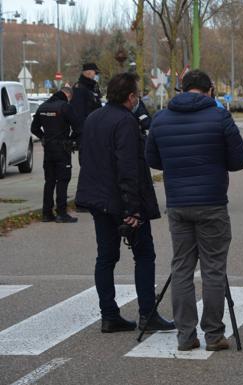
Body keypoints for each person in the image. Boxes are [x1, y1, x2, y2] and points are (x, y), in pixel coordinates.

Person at [146, 70, 243, 351]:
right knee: (213, 269)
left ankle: (185, 335)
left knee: (181, 268)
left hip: (178, 204)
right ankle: (214, 335)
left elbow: (152, 159)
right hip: (212, 202)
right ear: (210, 90)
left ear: (182, 89)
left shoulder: (161, 118)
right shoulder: (219, 117)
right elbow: (240, 160)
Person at [76, 72, 174, 334]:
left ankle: (109, 315)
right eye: (137, 94)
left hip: (98, 199)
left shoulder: (93, 118)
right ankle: (147, 313)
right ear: (130, 97)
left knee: (106, 257)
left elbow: (85, 158)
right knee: (144, 254)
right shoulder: (126, 122)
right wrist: (133, 208)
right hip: (122, 201)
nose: (138, 98)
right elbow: (128, 167)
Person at [30, 87, 81, 223]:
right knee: (63, 180)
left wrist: (44, 138)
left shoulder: (42, 107)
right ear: (67, 95)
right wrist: (70, 140)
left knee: (50, 180)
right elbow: (79, 127)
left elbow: (34, 128)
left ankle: (46, 213)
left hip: (48, 150)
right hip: (62, 149)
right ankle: (61, 213)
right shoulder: (65, 107)